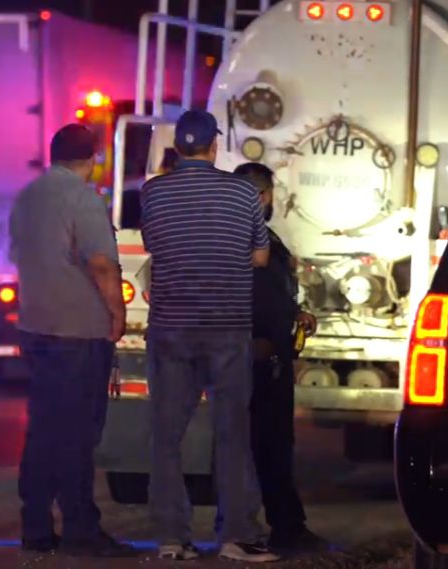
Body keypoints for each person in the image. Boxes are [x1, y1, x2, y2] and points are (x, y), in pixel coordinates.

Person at [140, 110, 278, 563]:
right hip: (227, 327)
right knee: (232, 432)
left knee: (166, 435)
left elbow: (155, 246)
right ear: (214, 147)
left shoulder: (153, 193)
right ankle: (237, 535)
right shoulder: (242, 192)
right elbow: (260, 257)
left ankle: (171, 538)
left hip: (172, 329)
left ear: (178, 147)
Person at [8, 124, 134, 558]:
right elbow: (101, 264)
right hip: (78, 331)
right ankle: (81, 528)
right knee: (78, 433)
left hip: (35, 326)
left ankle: (37, 524)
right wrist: (118, 314)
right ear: (95, 159)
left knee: (43, 428)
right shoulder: (83, 198)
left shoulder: (28, 196)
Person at [234, 162, 328, 552]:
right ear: (264, 195)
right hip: (257, 356)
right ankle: (276, 528)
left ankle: (286, 524)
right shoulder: (244, 237)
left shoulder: (262, 236)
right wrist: (258, 338)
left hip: (270, 353)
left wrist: (294, 314)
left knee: (275, 443)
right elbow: (248, 296)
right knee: (265, 444)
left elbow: (273, 291)